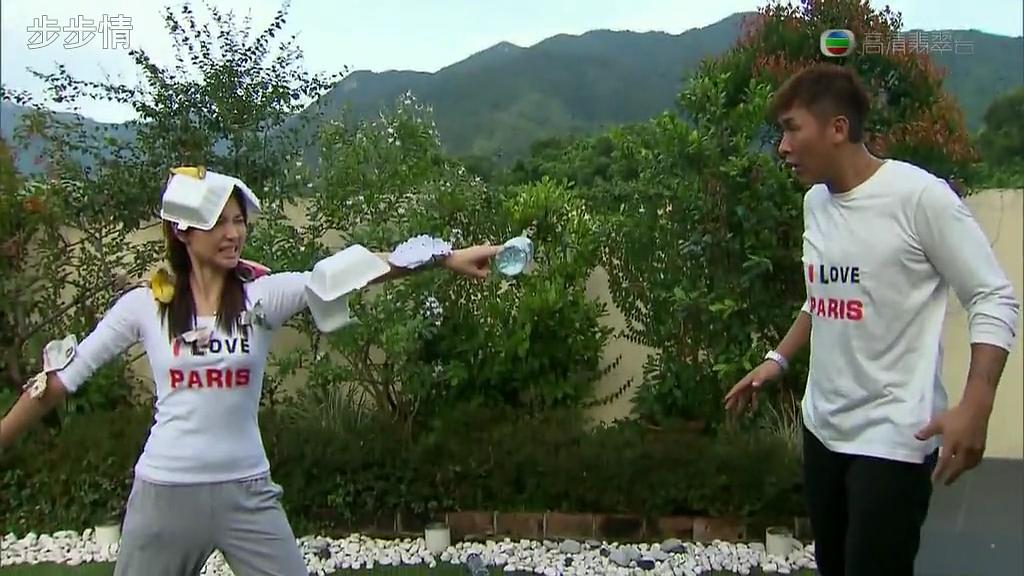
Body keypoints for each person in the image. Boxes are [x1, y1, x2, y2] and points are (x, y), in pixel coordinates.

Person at [0, 167, 501, 576]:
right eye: (219, 222)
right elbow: (59, 380)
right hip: (164, 496)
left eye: (239, 221)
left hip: (248, 493)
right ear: (182, 230)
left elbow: (351, 272)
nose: (234, 233)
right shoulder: (143, 307)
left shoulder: (262, 296)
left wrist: (446, 257)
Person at [724, 63, 1019, 576]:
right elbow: (823, 295)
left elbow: (992, 296)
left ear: (838, 128)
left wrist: (977, 404)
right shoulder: (816, 203)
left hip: (894, 437)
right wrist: (778, 360)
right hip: (823, 428)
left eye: (792, 129)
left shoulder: (920, 198)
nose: (782, 148)